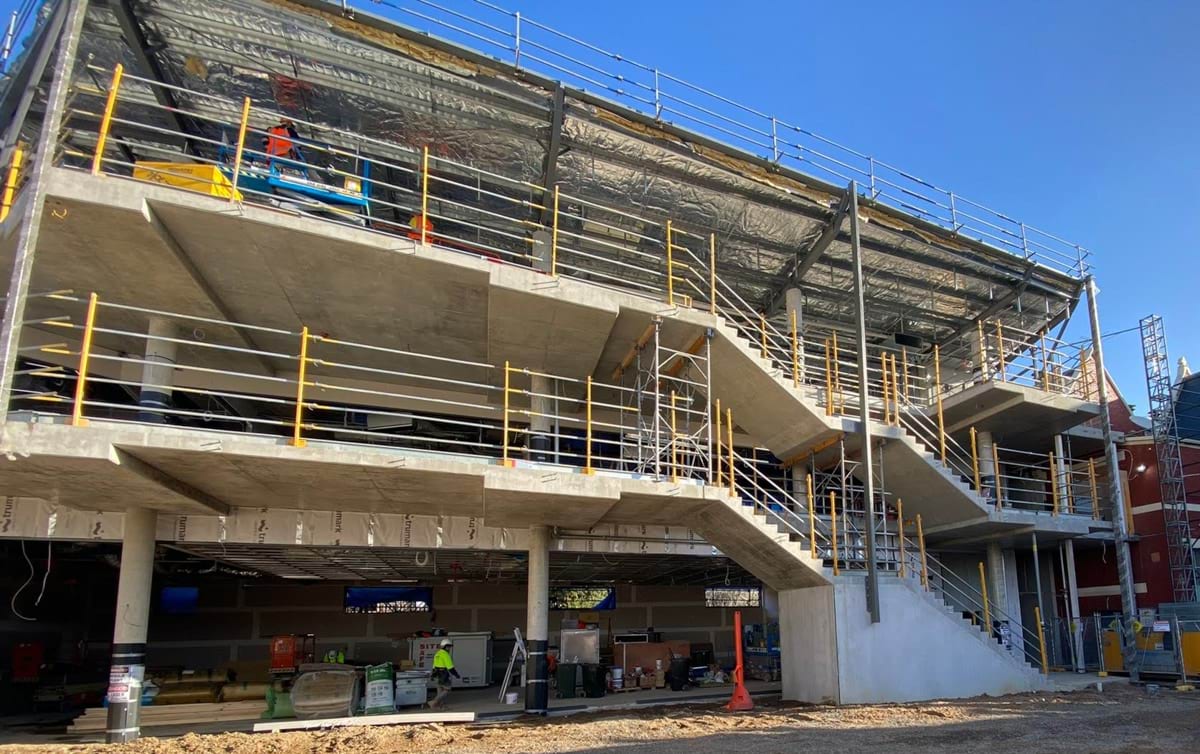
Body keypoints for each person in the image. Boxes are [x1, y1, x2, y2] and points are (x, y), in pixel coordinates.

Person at [428, 639, 459, 708]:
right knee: (447, 689)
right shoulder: (445, 655)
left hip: (437, 673)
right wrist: (456, 674)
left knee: (440, 690)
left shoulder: (437, 653)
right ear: (446, 647)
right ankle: (434, 701)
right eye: (449, 647)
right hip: (443, 674)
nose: (449, 648)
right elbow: (450, 667)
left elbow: (434, 665)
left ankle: (441, 706)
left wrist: (433, 674)